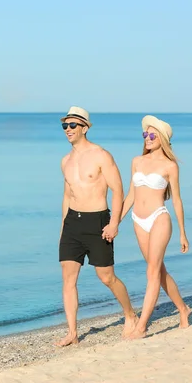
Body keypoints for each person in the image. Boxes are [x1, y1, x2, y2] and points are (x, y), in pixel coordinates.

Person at [56, 106, 138, 347]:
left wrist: (114, 223)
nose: (68, 130)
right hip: (72, 222)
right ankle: (72, 332)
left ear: (84, 127)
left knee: (106, 276)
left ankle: (130, 315)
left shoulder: (101, 155)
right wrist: (63, 228)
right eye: (65, 126)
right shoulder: (65, 161)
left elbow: (118, 189)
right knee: (68, 279)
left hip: (98, 221)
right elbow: (66, 195)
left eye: (72, 125)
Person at [120, 114, 191, 339]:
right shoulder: (136, 161)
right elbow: (131, 194)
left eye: (152, 135)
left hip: (159, 218)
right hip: (138, 221)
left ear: (161, 138)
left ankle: (141, 327)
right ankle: (183, 308)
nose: (147, 138)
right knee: (159, 272)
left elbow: (177, 200)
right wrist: (114, 223)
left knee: (151, 272)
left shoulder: (170, 166)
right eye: (145, 134)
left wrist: (182, 233)